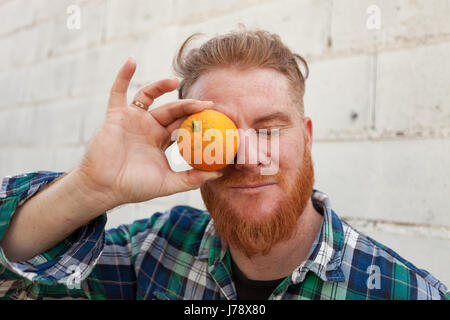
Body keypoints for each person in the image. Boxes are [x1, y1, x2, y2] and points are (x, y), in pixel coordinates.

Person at [0, 28, 448, 300]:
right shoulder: (154, 251)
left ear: (307, 137)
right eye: (221, 134)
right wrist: (90, 188)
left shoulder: (403, 289)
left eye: (269, 128)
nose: (247, 156)